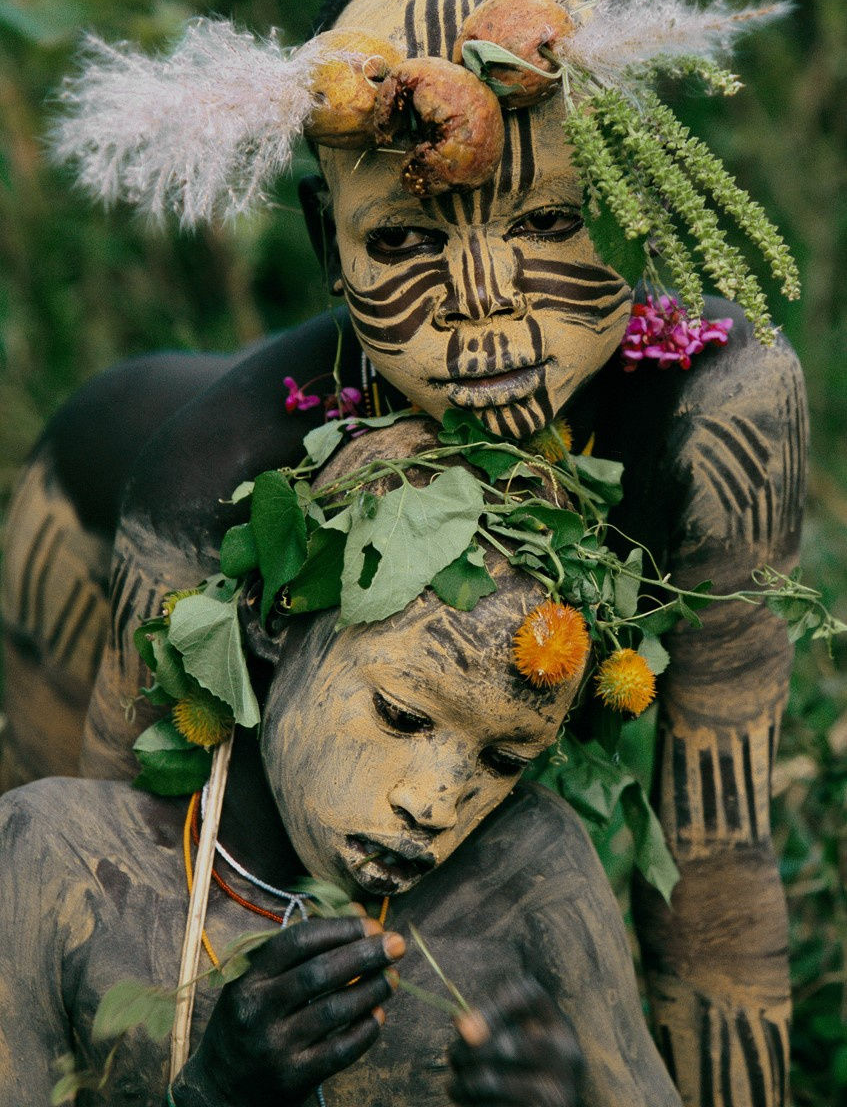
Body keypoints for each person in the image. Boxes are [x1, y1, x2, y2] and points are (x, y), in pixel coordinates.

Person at [0, 0, 803, 1105]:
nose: (487, 302)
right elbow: (122, 930)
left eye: (548, 221)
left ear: (634, 200)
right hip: (81, 528)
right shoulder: (209, 475)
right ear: (329, 244)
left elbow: (720, 854)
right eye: (407, 239)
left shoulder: (717, 409)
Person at [0, 420, 681, 1107]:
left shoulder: (529, 874)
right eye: (402, 717)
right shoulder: (56, 856)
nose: (434, 806)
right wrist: (215, 1095)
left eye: (503, 760)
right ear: (274, 620)